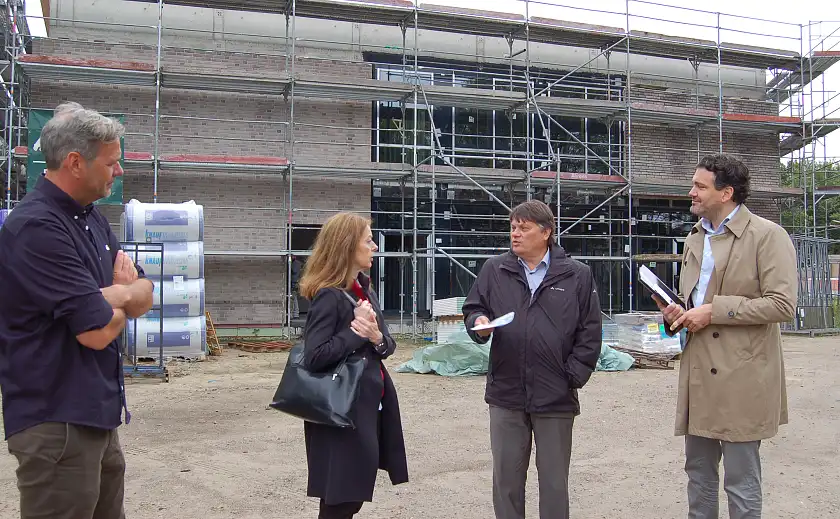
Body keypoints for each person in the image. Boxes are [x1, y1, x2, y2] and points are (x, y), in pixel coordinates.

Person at [0, 102, 155, 518]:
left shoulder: (92, 221)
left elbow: (145, 294)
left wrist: (115, 295)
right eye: (111, 163)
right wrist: (121, 293)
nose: (118, 172)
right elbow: (96, 332)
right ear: (74, 162)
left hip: (96, 415)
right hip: (57, 423)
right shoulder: (37, 228)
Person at [654, 154, 797, 519]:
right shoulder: (694, 237)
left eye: (700, 186)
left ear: (726, 193)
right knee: (698, 475)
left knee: (741, 480)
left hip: (743, 377)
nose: (692, 193)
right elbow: (693, 304)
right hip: (699, 374)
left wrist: (713, 311)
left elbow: (782, 305)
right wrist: (676, 315)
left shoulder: (769, 236)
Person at [462, 199, 602, 519]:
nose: (515, 234)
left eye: (524, 228)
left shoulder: (577, 275)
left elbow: (590, 331)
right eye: (513, 227)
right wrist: (478, 325)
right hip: (506, 392)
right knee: (506, 482)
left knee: (554, 483)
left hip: (556, 395)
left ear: (546, 233)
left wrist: (572, 376)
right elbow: (474, 309)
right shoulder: (494, 269)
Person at [297, 212, 408, 519]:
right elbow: (315, 356)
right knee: (341, 499)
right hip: (339, 411)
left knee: (351, 495)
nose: (374, 246)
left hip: (366, 408)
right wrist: (355, 333)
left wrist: (374, 336)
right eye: (368, 240)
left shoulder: (364, 290)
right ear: (348, 246)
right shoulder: (329, 297)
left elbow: (387, 345)